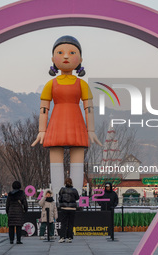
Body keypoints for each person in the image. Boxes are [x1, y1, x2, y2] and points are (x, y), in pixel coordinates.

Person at [32, 35, 102, 197]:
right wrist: (42, 130)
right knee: (55, 160)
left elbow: (88, 108)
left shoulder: (82, 84)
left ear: (80, 59)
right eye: (61, 52)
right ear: (52, 58)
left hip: (76, 124)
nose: (65, 56)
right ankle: (56, 197)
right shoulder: (51, 84)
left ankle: (75, 198)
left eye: (71, 52)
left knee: (77, 160)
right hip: (56, 124)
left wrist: (90, 130)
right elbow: (44, 109)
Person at [58, 178, 79, 243]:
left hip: (64, 208)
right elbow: (77, 197)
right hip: (72, 208)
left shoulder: (62, 190)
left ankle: (62, 237)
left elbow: (60, 198)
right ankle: (69, 237)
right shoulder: (74, 190)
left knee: (63, 223)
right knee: (70, 223)